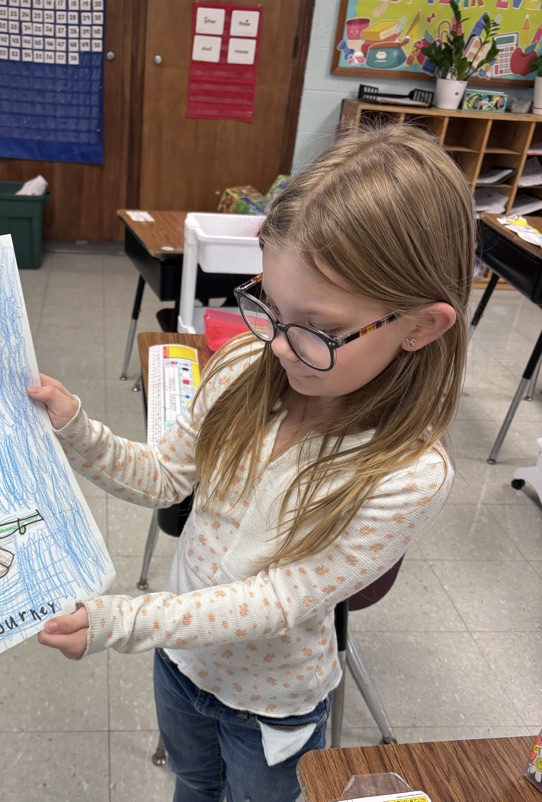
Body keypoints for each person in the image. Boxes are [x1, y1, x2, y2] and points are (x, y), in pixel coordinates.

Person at [26, 123, 475, 802]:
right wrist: (76, 427)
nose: (283, 349)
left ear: (420, 325)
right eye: (270, 306)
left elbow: (279, 601)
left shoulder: (408, 472)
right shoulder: (243, 365)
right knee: (193, 784)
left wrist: (127, 621)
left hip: (273, 703)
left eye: (321, 330)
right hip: (181, 665)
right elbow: (163, 476)